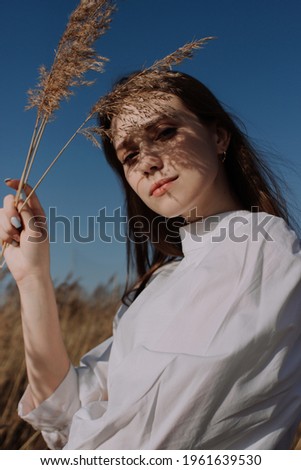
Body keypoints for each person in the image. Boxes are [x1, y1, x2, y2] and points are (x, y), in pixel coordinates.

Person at [0, 70, 301, 450]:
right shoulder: (161, 282)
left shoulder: (261, 248)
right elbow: (64, 413)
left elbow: (148, 443)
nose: (147, 162)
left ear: (219, 136)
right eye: (129, 155)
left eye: (164, 132)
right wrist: (32, 278)